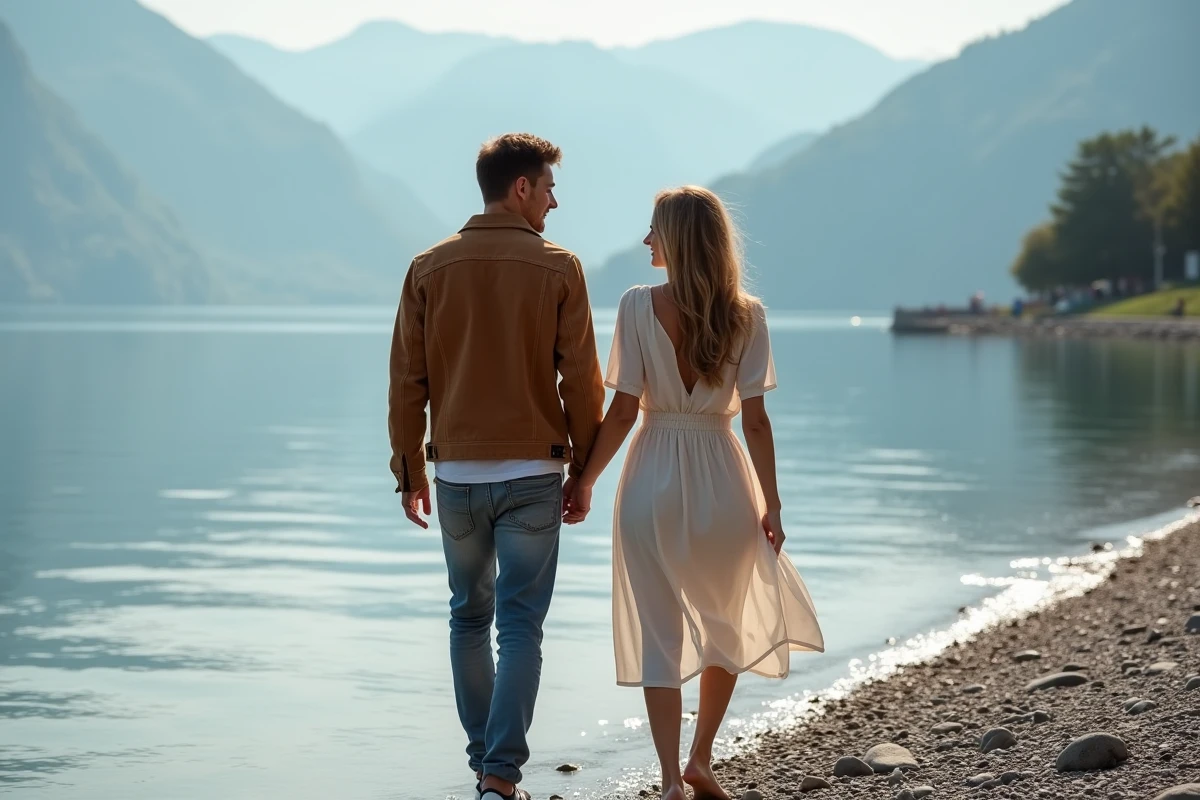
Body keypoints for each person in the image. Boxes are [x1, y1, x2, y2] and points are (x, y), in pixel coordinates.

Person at [564, 186, 824, 800]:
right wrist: (773, 505)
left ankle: (666, 781)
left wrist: (586, 481)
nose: (646, 240)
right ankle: (701, 758)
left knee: (659, 632)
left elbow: (623, 411)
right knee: (723, 626)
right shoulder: (749, 315)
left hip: (651, 476)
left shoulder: (634, 306)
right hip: (724, 481)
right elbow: (755, 422)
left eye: (654, 230)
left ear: (676, 239)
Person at [388, 133, 605, 800]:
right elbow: (583, 384)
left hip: (454, 477)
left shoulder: (427, 267)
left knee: (468, 619)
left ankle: (486, 767)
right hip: (535, 476)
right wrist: (586, 469)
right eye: (547, 188)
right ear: (520, 189)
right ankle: (501, 777)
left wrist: (409, 472)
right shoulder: (560, 267)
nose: (554, 201)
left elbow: (406, 383)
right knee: (518, 625)